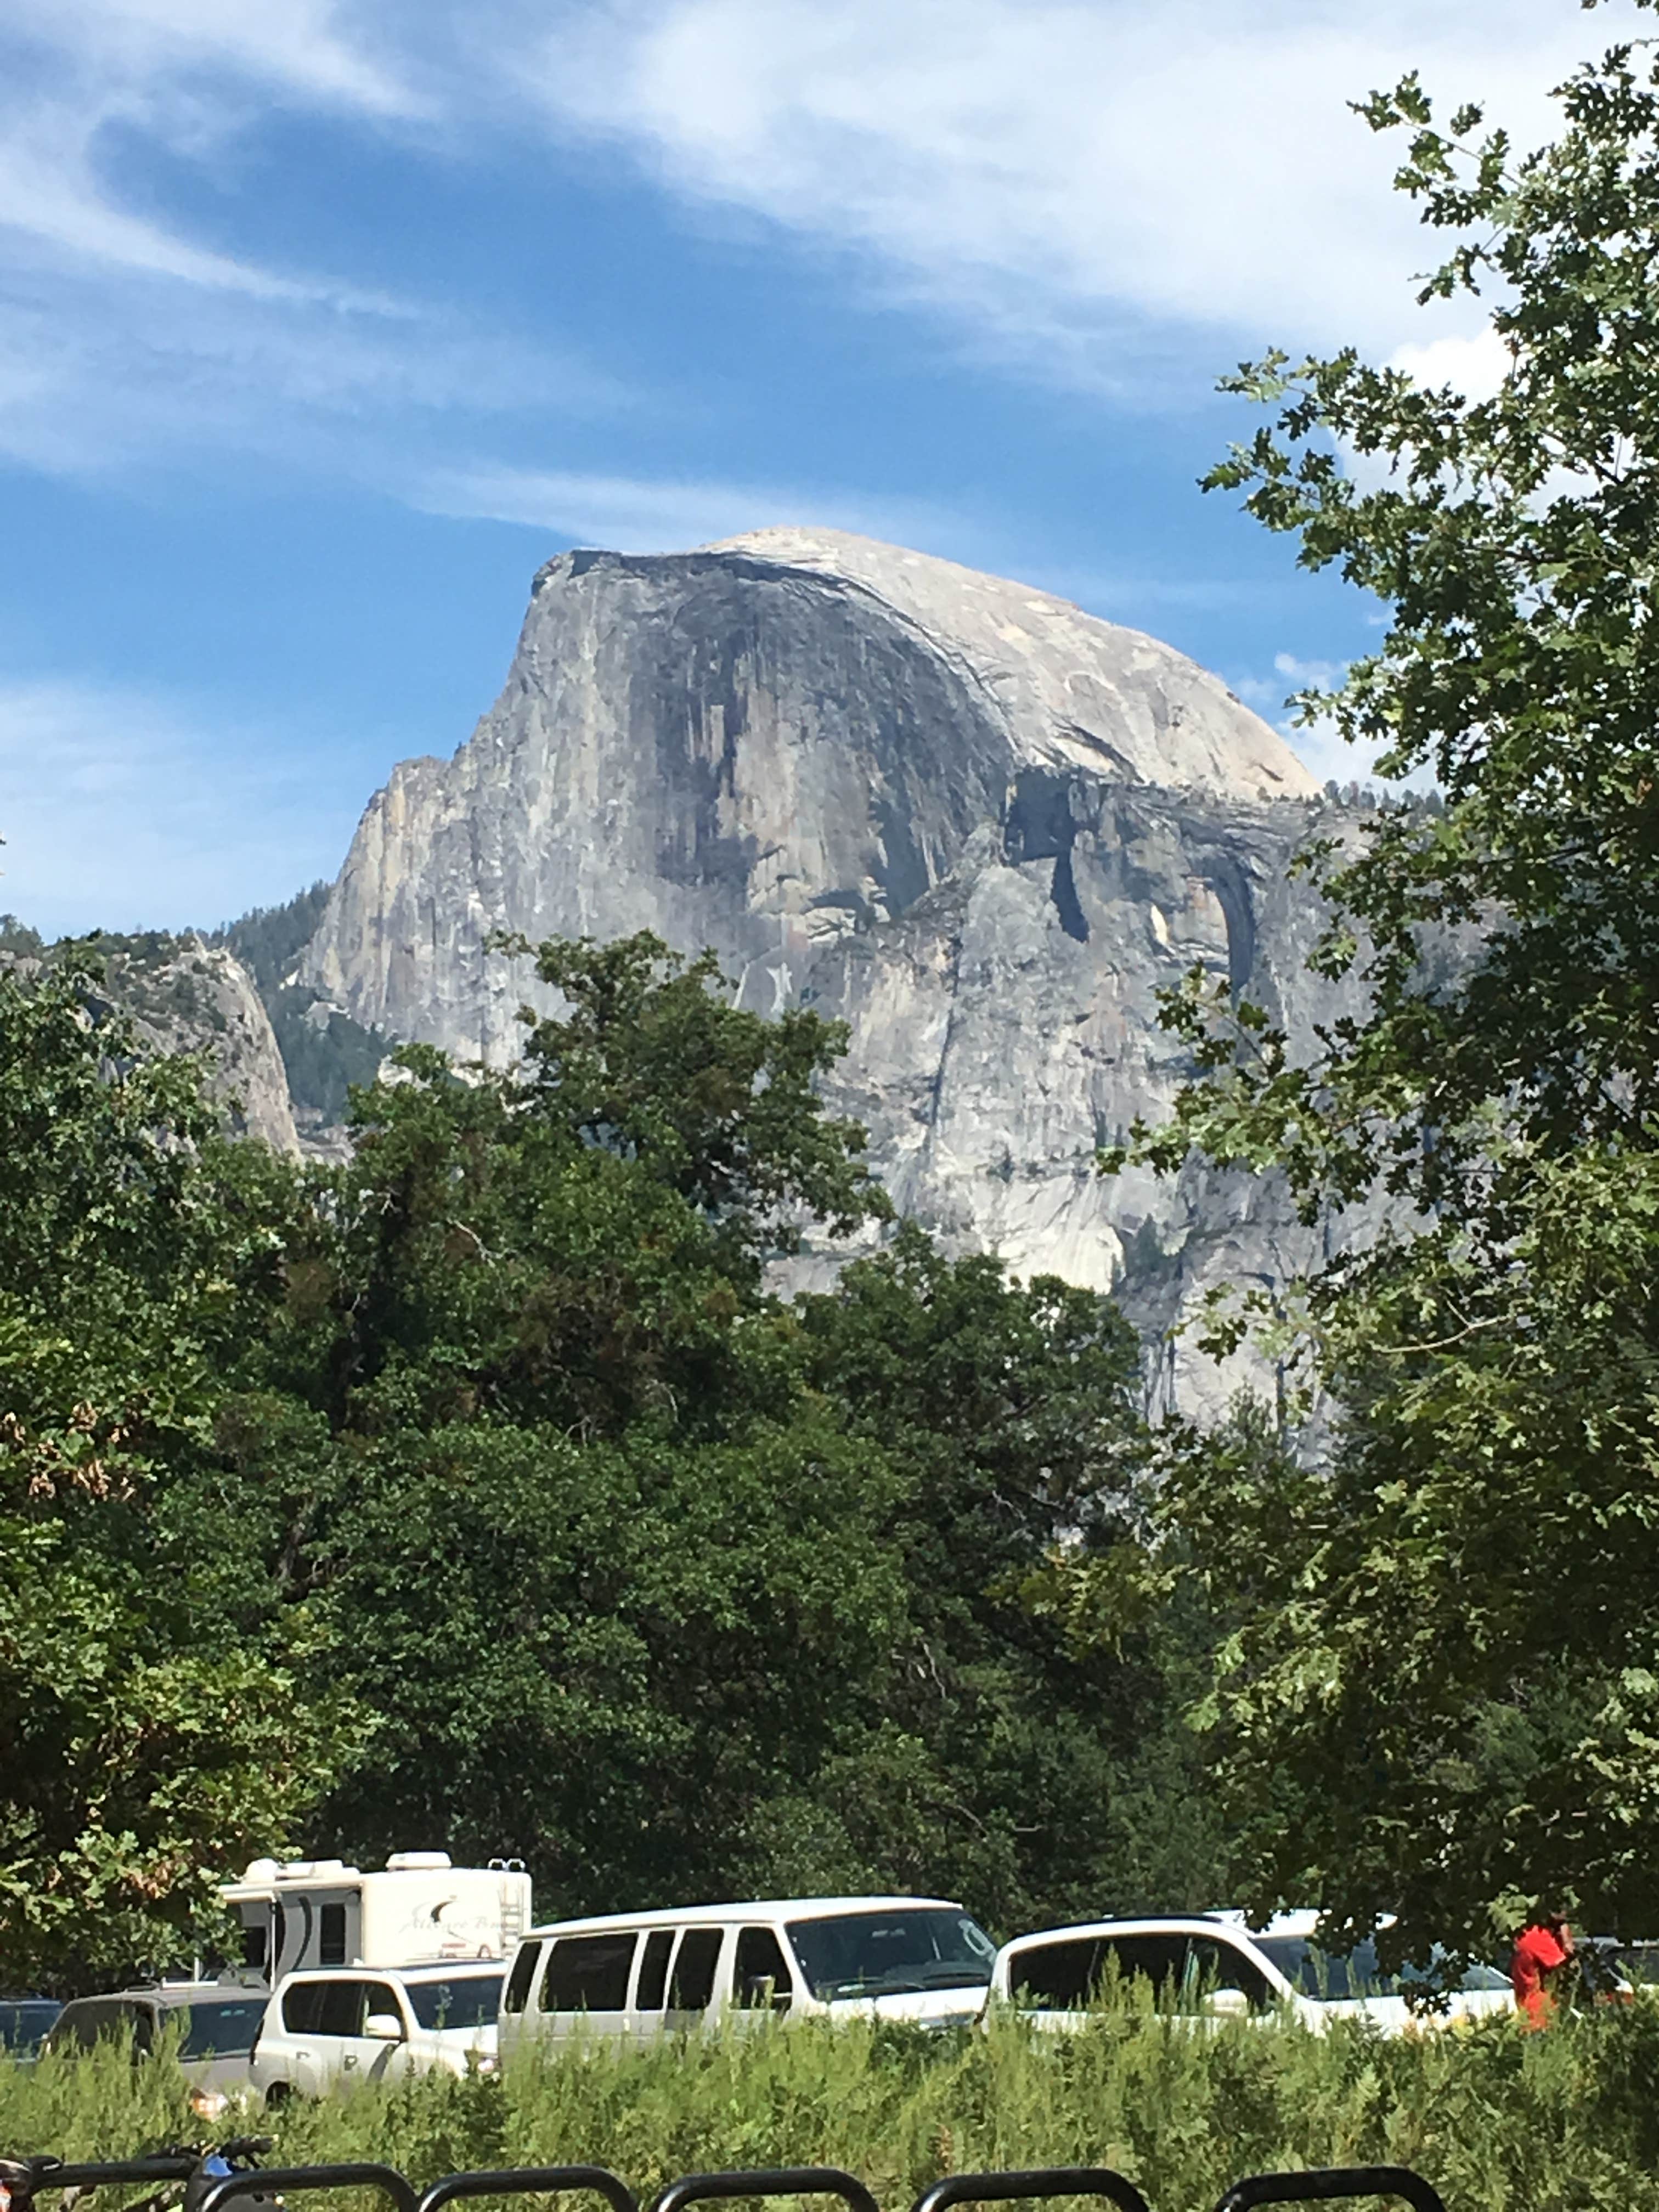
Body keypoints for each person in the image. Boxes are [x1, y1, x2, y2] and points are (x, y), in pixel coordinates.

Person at [1511, 1902, 1576, 2027]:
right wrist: (1566, 1937)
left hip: (1527, 2007)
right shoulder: (1538, 1937)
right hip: (1541, 2012)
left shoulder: (1524, 1933)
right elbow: (1567, 1967)